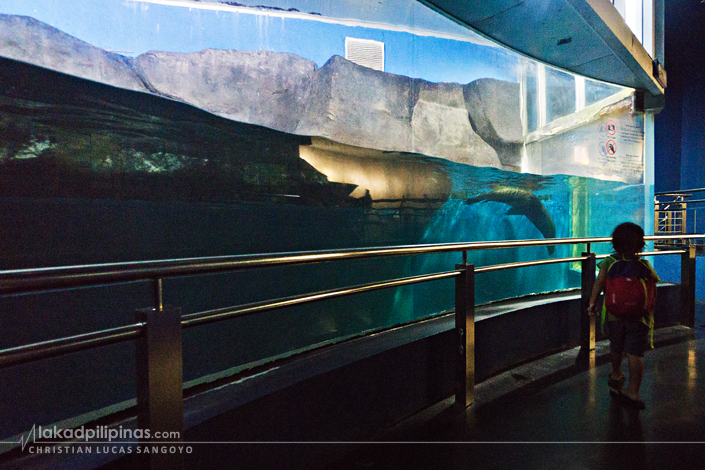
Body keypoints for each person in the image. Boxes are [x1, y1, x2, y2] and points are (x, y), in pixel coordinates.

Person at [588, 222, 659, 409]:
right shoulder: (645, 265)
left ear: (614, 244)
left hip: (615, 315)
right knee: (635, 353)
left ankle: (617, 374)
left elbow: (599, 283)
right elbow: (653, 287)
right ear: (640, 245)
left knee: (616, 346)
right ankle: (633, 391)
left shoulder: (609, 262)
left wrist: (592, 302)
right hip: (639, 318)